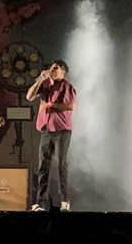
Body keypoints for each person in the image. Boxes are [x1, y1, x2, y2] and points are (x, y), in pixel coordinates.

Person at [26, 59, 76, 211]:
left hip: (62, 130)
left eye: (55, 68)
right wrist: (40, 78)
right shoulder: (46, 85)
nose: (52, 70)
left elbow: (70, 106)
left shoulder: (67, 86)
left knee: (61, 164)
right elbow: (29, 96)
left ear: (62, 71)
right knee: (43, 165)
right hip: (46, 129)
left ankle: (65, 200)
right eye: (51, 67)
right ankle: (40, 202)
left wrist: (51, 105)